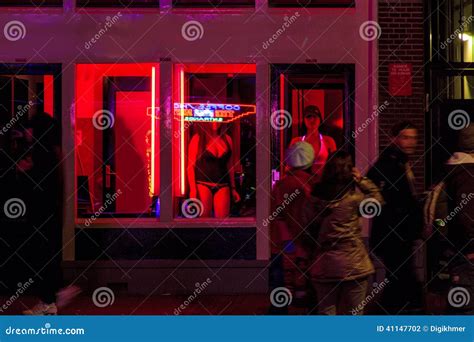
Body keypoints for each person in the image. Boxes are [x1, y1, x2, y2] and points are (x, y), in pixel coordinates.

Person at [20, 112, 80, 315]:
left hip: (41, 214)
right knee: (49, 257)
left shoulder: (40, 152)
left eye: (30, 128)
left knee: (41, 258)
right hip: (51, 214)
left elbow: (38, 185)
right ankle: (52, 297)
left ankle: (47, 301)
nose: (26, 132)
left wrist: (25, 172)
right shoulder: (54, 151)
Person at [310, 151, 383, 315]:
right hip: (354, 263)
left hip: (324, 264)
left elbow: (307, 228)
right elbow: (377, 199)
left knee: (326, 312)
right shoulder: (354, 199)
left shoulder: (314, 197)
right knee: (354, 313)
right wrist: (361, 180)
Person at [367, 121, 423, 314]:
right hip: (395, 234)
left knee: (398, 277)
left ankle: (393, 312)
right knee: (402, 276)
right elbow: (374, 188)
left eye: (413, 138)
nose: (411, 142)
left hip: (399, 234)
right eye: (406, 137)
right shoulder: (389, 163)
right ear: (394, 138)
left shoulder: (401, 161)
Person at [424, 123, 474, 314]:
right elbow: (467, 216)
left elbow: (440, 219)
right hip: (467, 255)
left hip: (453, 252)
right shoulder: (468, 175)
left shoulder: (450, 171)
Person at [268, 141, 317, 313]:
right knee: (307, 291)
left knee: (280, 289)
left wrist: (286, 243)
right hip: (307, 244)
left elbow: (277, 216)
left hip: (282, 244)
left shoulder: (282, 185)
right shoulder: (313, 184)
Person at [187, 122, 240, 218]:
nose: (215, 123)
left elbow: (230, 166)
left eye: (218, 119)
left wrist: (233, 188)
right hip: (202, 184)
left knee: (222, 222)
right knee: (204, 222)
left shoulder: (227, 139)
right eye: (213, 120)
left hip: (223, 184)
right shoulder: (198, 138)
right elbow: (190, 167)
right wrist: (193, 190)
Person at [290, 105, 337, 181]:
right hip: (302, 185)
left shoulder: (329, 141)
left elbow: (336, 166)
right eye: (308, 117)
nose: (312, 120)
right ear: (304, 120)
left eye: (315, 117)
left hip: (323, 184)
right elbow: (288, 168)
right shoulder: (296, 141)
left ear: (320, 119)